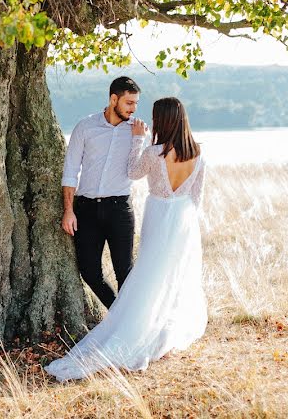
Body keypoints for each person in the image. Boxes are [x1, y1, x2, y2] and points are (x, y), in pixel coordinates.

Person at [46, 97, 207, 381]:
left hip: (159, 216)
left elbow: (132, 172)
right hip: (184, 221)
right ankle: (160, 328)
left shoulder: (155, 152)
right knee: (171, 276)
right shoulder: (198, 154)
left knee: (148, 273)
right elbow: (196, 198)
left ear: (163, 121)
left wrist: (137, 139)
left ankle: (138, 326)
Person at [60, 76, 141, 309]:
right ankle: (117, 314)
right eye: (128, 103)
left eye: (135, 103)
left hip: (119, 209)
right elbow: (70, 170)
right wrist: (68, 211)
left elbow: (141, 167)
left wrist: (139, 140)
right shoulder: (85, 127)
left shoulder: (137, 130)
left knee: (125, 273)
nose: (133, 109)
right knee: (88, 271)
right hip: (86, 209)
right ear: (113, 99)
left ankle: (126, 323)